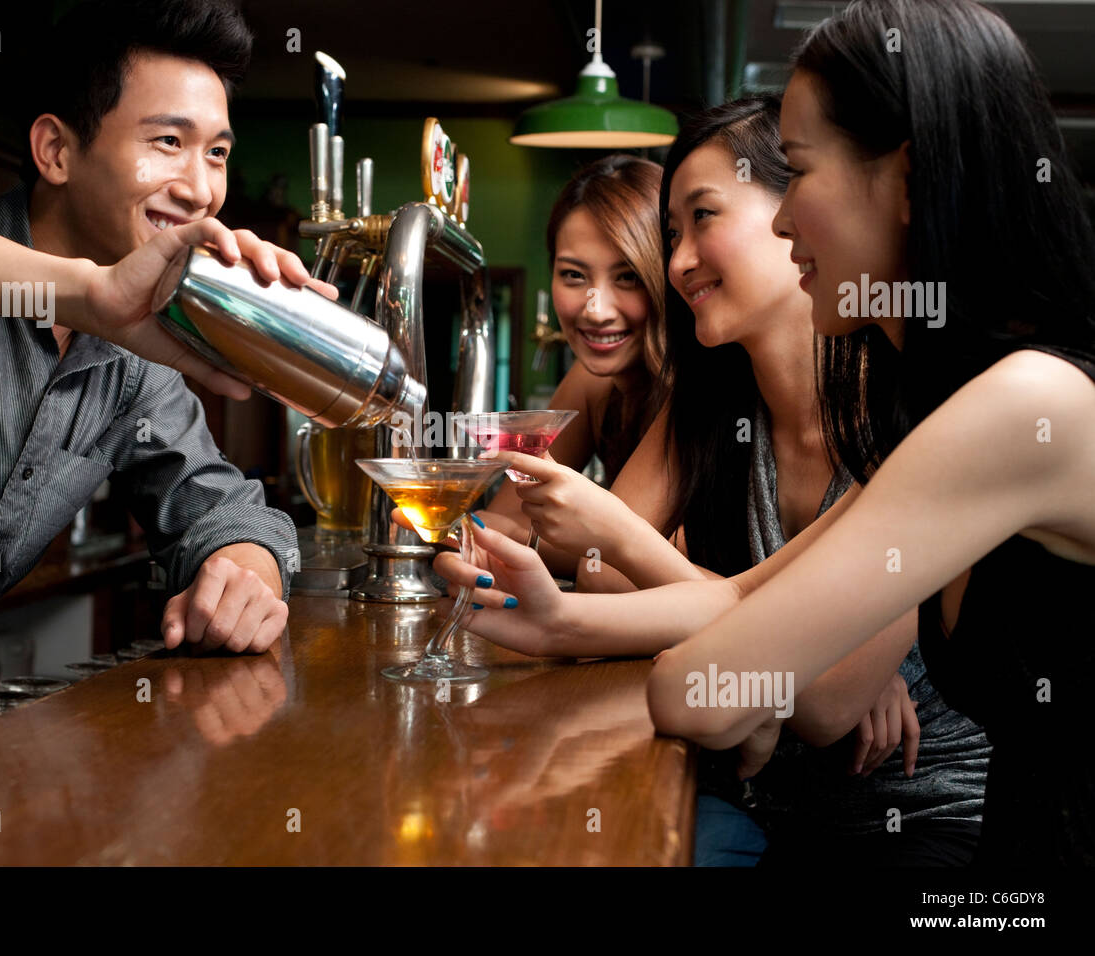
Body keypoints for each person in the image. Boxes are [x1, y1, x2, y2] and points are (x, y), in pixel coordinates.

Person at [437, 0, 1095, 864]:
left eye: (801, 170)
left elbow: (697, 691)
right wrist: (562, 623)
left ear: (907, 179)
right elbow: (747, 600)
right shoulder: (949, 406)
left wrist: (743, 675)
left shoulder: (1020, 407)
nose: (787, 223)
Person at [0, 0, 337, 752]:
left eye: (215, 152)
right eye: (169, 141)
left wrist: (244, 570)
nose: (199, 186)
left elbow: (222, 506)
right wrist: (85, 290)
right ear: (55, 150)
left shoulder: (130, 366)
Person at [477, 155, 665, 578]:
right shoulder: (589, 385)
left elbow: (609, 573)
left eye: (628, 277)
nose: (596, 311)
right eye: (574, 275)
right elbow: (496, 523)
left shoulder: (698, 391)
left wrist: (540, 544)